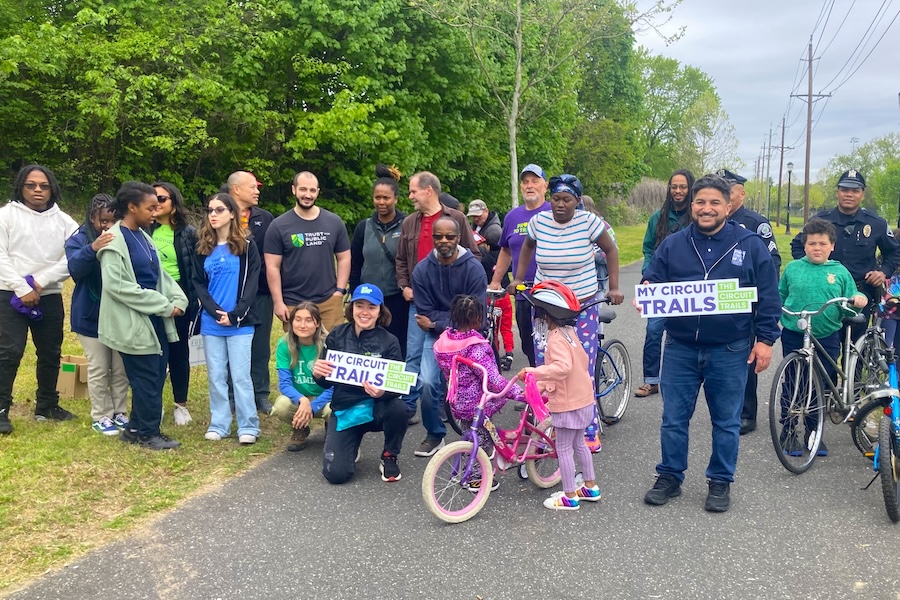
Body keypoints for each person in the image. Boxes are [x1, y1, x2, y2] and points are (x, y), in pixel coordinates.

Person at [640, 174, 781, 513]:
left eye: (714, 202)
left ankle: (720, 481)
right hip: (681, 347)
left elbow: (768, 296)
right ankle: (670, 476)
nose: (706, 209)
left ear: (728, 206)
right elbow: (655, 278)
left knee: (726, 420)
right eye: (700, 202)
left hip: (730, 348)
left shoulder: (749, 245)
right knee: (674, 417)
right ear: (692, 206)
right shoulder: (673, 244)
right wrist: (648, 291)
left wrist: (765, 341)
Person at [98, 181, 188, 450]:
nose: (155, 211)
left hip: (154, 319)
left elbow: (161, 275)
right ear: (131, 207)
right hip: (134, 320)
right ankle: (149, 433)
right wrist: (163, 305)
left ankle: (135, 428)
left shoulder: (144, 236)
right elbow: (118, 286)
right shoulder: (114, 240)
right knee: (146, 377)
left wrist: (178, 299)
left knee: (156, 374)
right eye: (150, 207)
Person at [508, 173, 624, 377]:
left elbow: (611, 250)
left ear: (577, 201)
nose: (560, 204)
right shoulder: (538, 222)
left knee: (580, 366)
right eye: (556, 198)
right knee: (546, 364)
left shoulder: (589, 222)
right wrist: (517, 278)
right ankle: (545, 407)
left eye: (567, 199)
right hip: (546, 306)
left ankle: (584, 408)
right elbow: (527, 247)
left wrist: (614, 287)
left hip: (582, 304)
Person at [393, 171, 480, 429]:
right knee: (414, 357)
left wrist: (461, 290)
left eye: (413, 191)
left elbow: (472, 255)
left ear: (428, 190)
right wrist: (404, 285)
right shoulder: (409, 223)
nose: (409, 197)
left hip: (457, 306)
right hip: (420, 300)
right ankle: (409, 407)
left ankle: (446, 405)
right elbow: (400, 259)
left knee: (449, 361)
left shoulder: (457, 219)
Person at [0, 164, 79, 435]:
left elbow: (75, 258)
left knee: (50, 352)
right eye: (31, 185)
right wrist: (22, 287)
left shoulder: (65, 222)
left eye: (43, 186)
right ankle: (1, 410)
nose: (37, 190)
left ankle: (47, 405)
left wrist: (40, 282)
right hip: (9, 293)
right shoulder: (6, 216)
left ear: (52, 189)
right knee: (9, 352)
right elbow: (1, 257)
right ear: (21, 186)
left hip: (48, 295)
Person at [778, 218, 867, 456]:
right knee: (793, 382)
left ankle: (813, 431)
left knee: (820, 384)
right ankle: (788, 429)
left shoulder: (839, 272)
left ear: (832, 246)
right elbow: (781, 294)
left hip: (826, 335)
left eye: (822, 244)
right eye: (812, 243)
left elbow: (850, 299)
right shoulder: (793, 268)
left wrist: (858, 299)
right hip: (795, 333)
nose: (817, 248)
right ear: (804, 246)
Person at [789, 169, 900, 345]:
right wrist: (812, 267)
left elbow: (894, 252)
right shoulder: (820, 221)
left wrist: (883, 272)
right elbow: (797, 245)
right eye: (844, 189)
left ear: (862, 194)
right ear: (837, 192)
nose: (849, 194)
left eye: (855, 190)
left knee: (855, 348)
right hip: (825, 291)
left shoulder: (876, 223)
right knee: (821, 347)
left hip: (860, 292)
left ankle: (854, 372)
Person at [518, 281, 602, 511]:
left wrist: (534, 373)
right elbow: (579, 363)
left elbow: (562, 368)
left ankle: (569, 496)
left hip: (567, 405)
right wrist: (544, 385)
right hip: (583, 399)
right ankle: (590, 486)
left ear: (546, 316)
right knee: (580, 444)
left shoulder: (554, 339)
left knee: (563, 448)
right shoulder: (570, 333)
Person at [312, 284, 407, 484]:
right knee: (336, 475)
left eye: (371, 307)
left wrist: (382, 392)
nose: (365, 312)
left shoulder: (390, 341)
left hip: (377, 409)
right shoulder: (336, 335)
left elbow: (397, 386)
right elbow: (325, 383)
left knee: (399, 408)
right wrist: (318, 374)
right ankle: (350, 445)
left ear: (380, 310)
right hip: (345, 408)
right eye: (359, 306)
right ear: (351, 308)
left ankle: (390, 455)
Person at [411, 216, 487, 457]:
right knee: (427, 383)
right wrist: (442, 323)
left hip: (468, 337)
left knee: (480, 386)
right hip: (437, 337)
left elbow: (476, 316)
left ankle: (482, 436)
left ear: (458, 238)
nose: (444, 241)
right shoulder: (422, 270)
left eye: (449, 236)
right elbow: (423, 312)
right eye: (438, 236)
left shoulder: (473, 268)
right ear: (433, 238)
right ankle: (435, 434)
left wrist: (436, 322)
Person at [192, 192, 261, 445]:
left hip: (240, 323)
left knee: (241, 377)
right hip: (212, 323)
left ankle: (249, 426)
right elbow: (198, 283)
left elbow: (252, 283)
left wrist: (235, 315)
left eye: (219, 210)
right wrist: (214, 312)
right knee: (216, 376)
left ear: (232, 213)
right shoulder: (203, 247)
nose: (213, 215)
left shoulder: (247, 247)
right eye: (210, 210)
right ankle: (219, 424)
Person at [717, 169, 782, 436]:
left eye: (729, 190)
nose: (725, 196)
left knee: (744, 357)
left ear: (741, 193)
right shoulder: (706, 224)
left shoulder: (755, 223)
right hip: (714, 304)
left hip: (744, 302)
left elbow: (772, 262)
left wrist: (759, 297)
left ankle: (746, 414)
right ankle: (723, 409)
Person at [433, 295, 521, 490]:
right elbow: (495, 381)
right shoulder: (476, 349)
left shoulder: (443, 344)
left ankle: (473, 463)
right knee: (480, 438)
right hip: (478, 402)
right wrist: (516, 392)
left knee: (469, 431)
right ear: (476, 319)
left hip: (457, 401)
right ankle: (476, 477)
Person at [65, 193, 129, 435]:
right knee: (100, 367)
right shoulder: (78, 239)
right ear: (92, 217)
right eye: (103, 221)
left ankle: (120, 411)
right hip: (89, 314)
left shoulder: (126, 237)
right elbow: (75, 269)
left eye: (113, 221)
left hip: (119, 313)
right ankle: (101, 415)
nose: (108, 227)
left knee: (121, 366)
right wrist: (93, 248)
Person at [264, 171, 351, 332]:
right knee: (299, 354)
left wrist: (340, 291)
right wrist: (278, 302)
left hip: (328, 301)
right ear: (294, 190)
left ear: (318, 192)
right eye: (303, 189)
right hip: (293, 303)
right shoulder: (279, 226)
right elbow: (272, 267)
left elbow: (344, 257)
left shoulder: (334, 222)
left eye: (312, 190)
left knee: (331, 351)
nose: (308, 195)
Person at [635, 169, 694, 398]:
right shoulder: (657, 217)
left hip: (686, 285)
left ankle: (684, 379)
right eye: (674, 187)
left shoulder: (695, 217)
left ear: (690, 188)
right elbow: (648, 249)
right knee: (653, 331)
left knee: (685, 334)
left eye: (683, 187)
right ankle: (651, 380)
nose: (678, 191)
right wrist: (648, 273)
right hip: (660, 284)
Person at [489, 164, 550, 368]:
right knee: (529, 342)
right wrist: (496, 281)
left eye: (535, 181)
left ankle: (556, 393)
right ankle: (536, 393)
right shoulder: (512, 217)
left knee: (552, 342)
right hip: (523, 290)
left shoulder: (554, 211)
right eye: (525, 182)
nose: (529, 186)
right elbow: (505, 251)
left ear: (545, 186)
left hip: (552, 290)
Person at [227, 171, 276, 414]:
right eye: (252, 187)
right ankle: (231, 395)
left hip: (261, 292)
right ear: (236, 189)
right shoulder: (220, 213)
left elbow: (274, 257)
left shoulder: (265, 218)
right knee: (230, 345)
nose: (257, 191)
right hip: (230, 293)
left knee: (260, 345)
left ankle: (260, 394)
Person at [150, 181, 198, 426]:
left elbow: (196, 271)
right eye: (153, 198)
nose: (156, 203)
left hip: (179, 298)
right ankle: (152, 404)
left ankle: (181, 405)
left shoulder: (187, 233)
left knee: (179, 354)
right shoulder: (143, 230)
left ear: (174, 203)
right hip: (150, 297)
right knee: (154, 353)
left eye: (162, 198)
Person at [349, 164, 408, 357]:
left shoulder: (407, 225)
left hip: (398, 299)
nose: (381, 202)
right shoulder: (363, 227)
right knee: (368, 345)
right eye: (377, 197)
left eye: (386, 198)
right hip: (369, 299)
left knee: (397, 344)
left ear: (396, 199)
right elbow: (355, 263)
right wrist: (355, 294)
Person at [272, 302, 334, 452]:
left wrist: (313, 407)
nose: (302, 325)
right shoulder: (284, 344)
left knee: (334, 409)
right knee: (281, 406)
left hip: (325, 398)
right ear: (292, 322)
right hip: (299, 397)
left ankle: (332, 431)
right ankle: (301, 428)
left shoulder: (330, 344)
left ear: (317, 323)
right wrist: (303, 400)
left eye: (308, 320)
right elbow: (285, 384)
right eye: (298, 319)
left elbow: (334, 386)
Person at [469, 199, 514, 370]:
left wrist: (484, 254)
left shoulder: (494, 231)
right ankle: (495, 352)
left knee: (502, 324)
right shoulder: (478, 228)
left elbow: (500, 260)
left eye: (479, 215)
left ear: (486, 211)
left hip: (498, 289)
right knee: (494, 324)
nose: (476, 218)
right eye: (473, 216)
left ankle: (505, 353)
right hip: (488, 287)